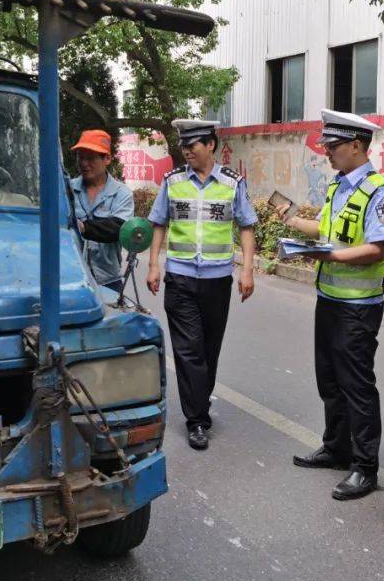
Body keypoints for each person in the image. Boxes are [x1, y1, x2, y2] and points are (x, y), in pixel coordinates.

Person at [277, 110, 384, 501]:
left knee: (357, 386)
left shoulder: (379, 192)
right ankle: (336, 448)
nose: (326, 152)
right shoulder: (338, 186)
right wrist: (294, 222)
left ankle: (365, 467)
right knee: (329, 380)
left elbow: (379, 248)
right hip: (329, 300)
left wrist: (329, 258)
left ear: (357, 146)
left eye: (333, 146)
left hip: (359, 307)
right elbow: (327, 232)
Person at [146, 119, 257, 451]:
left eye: (193, 145)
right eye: (184, 146)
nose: (187, 151)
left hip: (217, 280)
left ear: (210, 145)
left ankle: (199, 402)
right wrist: (153, 265)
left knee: (208, 350)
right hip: (179, 278)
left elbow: (247, 225)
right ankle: (197, 420)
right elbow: (159, 222)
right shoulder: (173, 181)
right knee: (189, 351)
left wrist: (247, 269)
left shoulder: (232, 184)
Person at [68, 129, 135, 294]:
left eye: (90, 158)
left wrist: (84, 227)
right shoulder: (66, 189)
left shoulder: (121, 193)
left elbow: (118, 227)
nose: (84, 163)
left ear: (107, 158)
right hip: (71, 279)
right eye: (80, 157)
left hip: (108, 281)